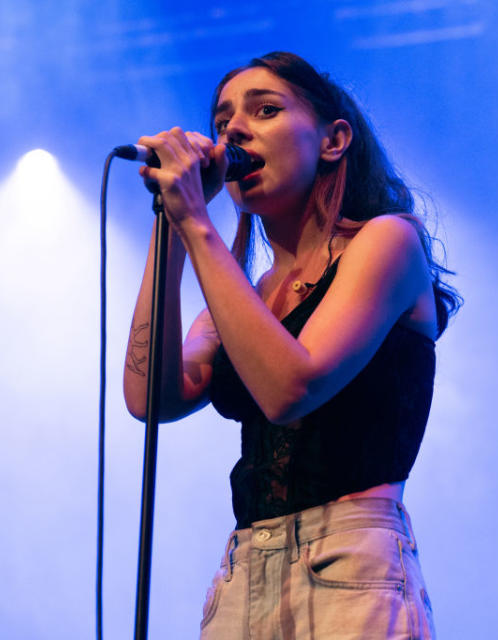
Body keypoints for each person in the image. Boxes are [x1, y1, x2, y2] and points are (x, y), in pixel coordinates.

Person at [123, 51, 460, 639]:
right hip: (243, 574)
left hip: (348, 566)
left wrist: (199, 222)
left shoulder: (387, 243)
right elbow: (149, 397)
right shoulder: (250, 296)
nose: (234, 132)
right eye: (223, 121)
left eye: (266, 110)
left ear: (333, 140)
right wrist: (172, 225)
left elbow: (289, 388)